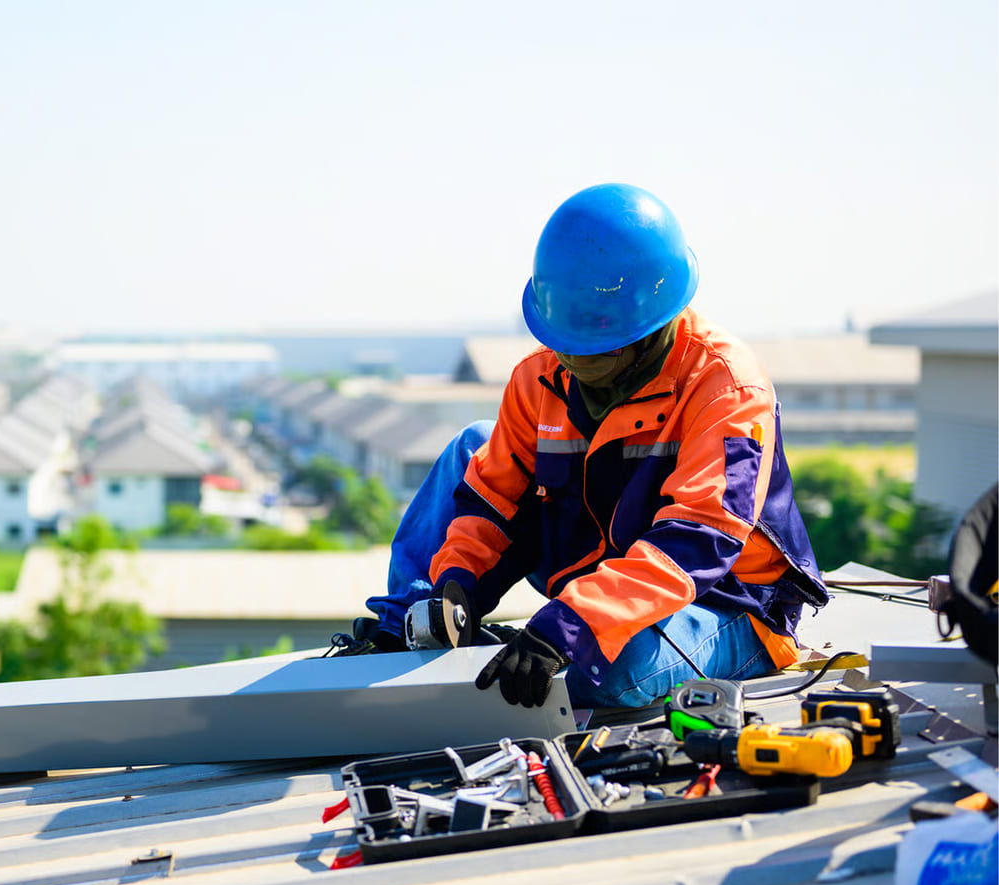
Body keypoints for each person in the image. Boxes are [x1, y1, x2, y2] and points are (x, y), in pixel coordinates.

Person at [338, 183, 830, 710]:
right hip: (602, 577)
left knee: (602, 673)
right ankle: (405, 628)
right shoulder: (541, 377)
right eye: (560, 343)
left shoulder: (726, 388)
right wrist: (458, 585)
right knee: (474, 445)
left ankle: (563, 648)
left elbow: (699, 540)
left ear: (645, 331)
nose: (567, 362)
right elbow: (492, 499)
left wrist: (571, 626)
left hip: (724, 600)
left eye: (588, 351)